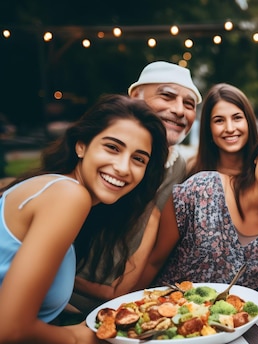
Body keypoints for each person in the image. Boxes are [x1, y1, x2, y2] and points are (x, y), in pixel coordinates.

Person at [0, 94, 169, 344]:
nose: (123, 167)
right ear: (81, 146)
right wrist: (78, 338)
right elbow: (9, 328)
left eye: (139, 158)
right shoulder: (68, 196)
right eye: (112, 147)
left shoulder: (67, 194)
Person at [71, 61, 202, 311]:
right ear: (135, 96)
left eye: (189, 104)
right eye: (167, 95)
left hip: (113, 302)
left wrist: (123, 294)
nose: (179, 110)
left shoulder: (178, 168)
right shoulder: (96, 155)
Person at [138, 121, 258, 300]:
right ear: (257, 156)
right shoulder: (202, 189)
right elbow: (153, 262)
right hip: (164, 315)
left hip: (234, 326)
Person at [186, 83, 258, 177]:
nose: (230, 129)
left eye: (237, 118)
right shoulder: (190, 170)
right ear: (208, 128)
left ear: (249, 121)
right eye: (219, 120)